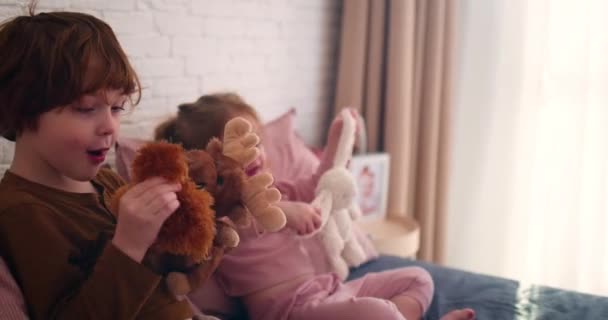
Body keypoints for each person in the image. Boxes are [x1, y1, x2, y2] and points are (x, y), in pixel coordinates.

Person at [154, 93, 476, 320]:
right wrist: (289, 213)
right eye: (242, 145)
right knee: (380, 313)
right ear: (212, 162)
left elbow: (317, 184)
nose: (258, 153)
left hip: (328, 289)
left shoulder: (276, 188)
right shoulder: (218, 217)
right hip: (290, 311)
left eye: (259, 142)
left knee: (419, 279)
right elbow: (247, 228)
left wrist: (338, 139)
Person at [0, 6, 197, 319]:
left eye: (117, 108)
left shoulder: (106, 182)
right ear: (19, 110)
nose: (110, 127)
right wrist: (129, 244)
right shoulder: (21, 211)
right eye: (85, 107)